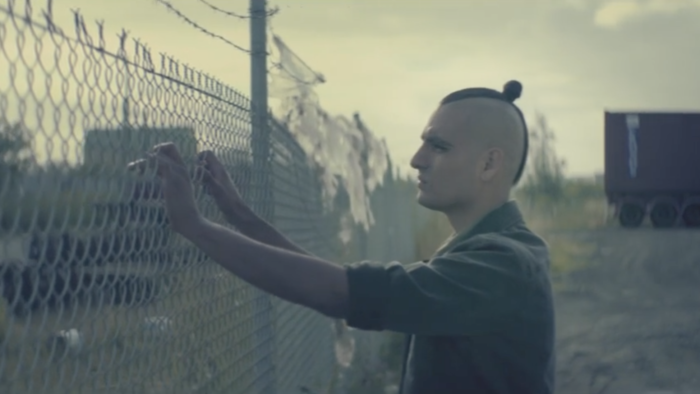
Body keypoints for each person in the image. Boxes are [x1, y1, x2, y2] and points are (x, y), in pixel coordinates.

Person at [134, 80, 555, 394]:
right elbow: (347, 283)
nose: (416, 160)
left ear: (489, 164)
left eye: (438, 147)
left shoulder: (502, 265)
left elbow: (342, 292)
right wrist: (238, 214)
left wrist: (195, 226)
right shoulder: (483, 252)